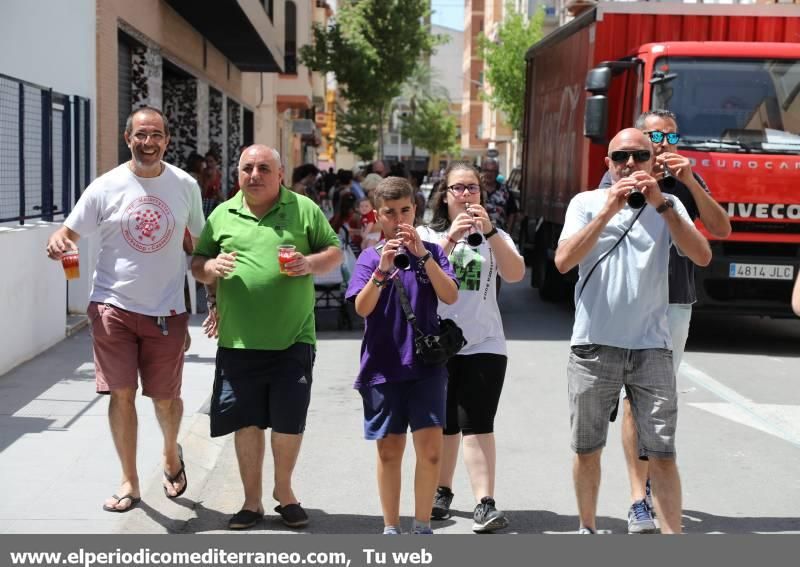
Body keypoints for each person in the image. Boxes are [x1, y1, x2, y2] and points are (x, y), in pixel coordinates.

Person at [45, 106, 205, 512]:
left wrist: (213, 296)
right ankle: (129, 482)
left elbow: (200, 245)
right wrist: (59, 241)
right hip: (112, 306)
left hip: (167, 310)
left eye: (156, 135)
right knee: (121, 394)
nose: (147, 143)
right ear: (127, 138)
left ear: (167, 140)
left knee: (166, 399)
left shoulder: (185, 185)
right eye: (140, 135)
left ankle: (171, 454)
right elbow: (68, 231)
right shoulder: (105, 186)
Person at [555, 128, 712, 534]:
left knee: (663, 453)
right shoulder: (586, 203)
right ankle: (587, 529)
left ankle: (673, 538)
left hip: (651, 348)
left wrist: (662, 205)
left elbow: (702, 254)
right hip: (593, 347)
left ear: (652, 162)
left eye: (639, 156)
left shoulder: (669, 204)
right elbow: (563, 261)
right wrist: (608, 211)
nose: (630, 164)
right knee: (588, 448)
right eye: (621, 157)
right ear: (608, 163)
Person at [191, 145, 343, 530]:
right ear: (237, 174)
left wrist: (308, 263)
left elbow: (334, 252)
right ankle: (251, 502)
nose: (254, 174)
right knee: (247, 423)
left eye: (263, 168)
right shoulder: (223, 214)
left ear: (280, 174)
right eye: (247, 168)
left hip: (294, 338)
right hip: (238, 341)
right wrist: (210, 266)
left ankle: (284, 493)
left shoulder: (303, 208)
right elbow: (197, 263)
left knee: (289, 423)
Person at [599, 110, 731, 533]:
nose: (661, 142)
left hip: (674, 302)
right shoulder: (622, 173)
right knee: (635, 401)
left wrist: (690, 182)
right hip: (631, 303)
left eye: (670, 135)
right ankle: (639, 498)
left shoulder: (685, 178)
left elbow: (721, 229)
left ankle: (654, 486)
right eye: (653, 134)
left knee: (658, 401)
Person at [345, 176, 459, 535]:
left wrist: (423, 256)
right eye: (390, 213)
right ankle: (391, 527)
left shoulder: (434, 252)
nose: (399, 220)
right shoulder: (369, 258)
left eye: (405, 211)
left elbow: (450, 296)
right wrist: (382, 269)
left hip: (426, 366)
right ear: (378, 217)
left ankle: (422, 526)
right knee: (390, 451)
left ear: (415, 210)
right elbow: (362, 309)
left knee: (431, 452)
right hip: (384, 366)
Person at [417, 161, 525, 533]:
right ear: (443, 196)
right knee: (445, 424)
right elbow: (417, 281)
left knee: (477, 423)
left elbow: (515, 274)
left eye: (472, 188)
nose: (465, 195)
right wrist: (449, 239)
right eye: (457, 189)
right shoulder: (427, 234)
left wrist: (491, 232)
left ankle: (484, 502)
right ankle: (441, 493)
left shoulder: (496, 236)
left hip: (485, 342)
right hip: (438, 343)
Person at [480, 158, 518, 233]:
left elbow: (512, 213)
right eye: (486, 170)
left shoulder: (505, 190)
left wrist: (508, 233)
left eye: (492, 171)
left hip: (499, 234)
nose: (489, 174)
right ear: (482, 171)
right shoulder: (475, 189)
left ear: (497, 173)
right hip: (478, 234)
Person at [201, 151, 224, 218]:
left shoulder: (218, 173)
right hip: (204, 202)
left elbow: (219, 191)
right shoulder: (203, 173)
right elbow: (202, 194)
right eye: (207, 162)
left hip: (215, 202)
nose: (209, 164)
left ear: (216, 162)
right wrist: (207, 180)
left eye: (211, 161)